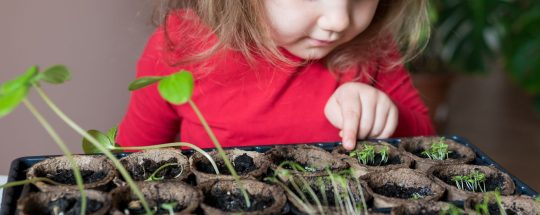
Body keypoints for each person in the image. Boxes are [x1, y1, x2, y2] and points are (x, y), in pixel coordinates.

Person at [117, 0, 435, 151]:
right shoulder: (180, 45)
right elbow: (133, 158)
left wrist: (387, 118)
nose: (339, 20)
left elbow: (431, 142)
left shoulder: (372, 47)